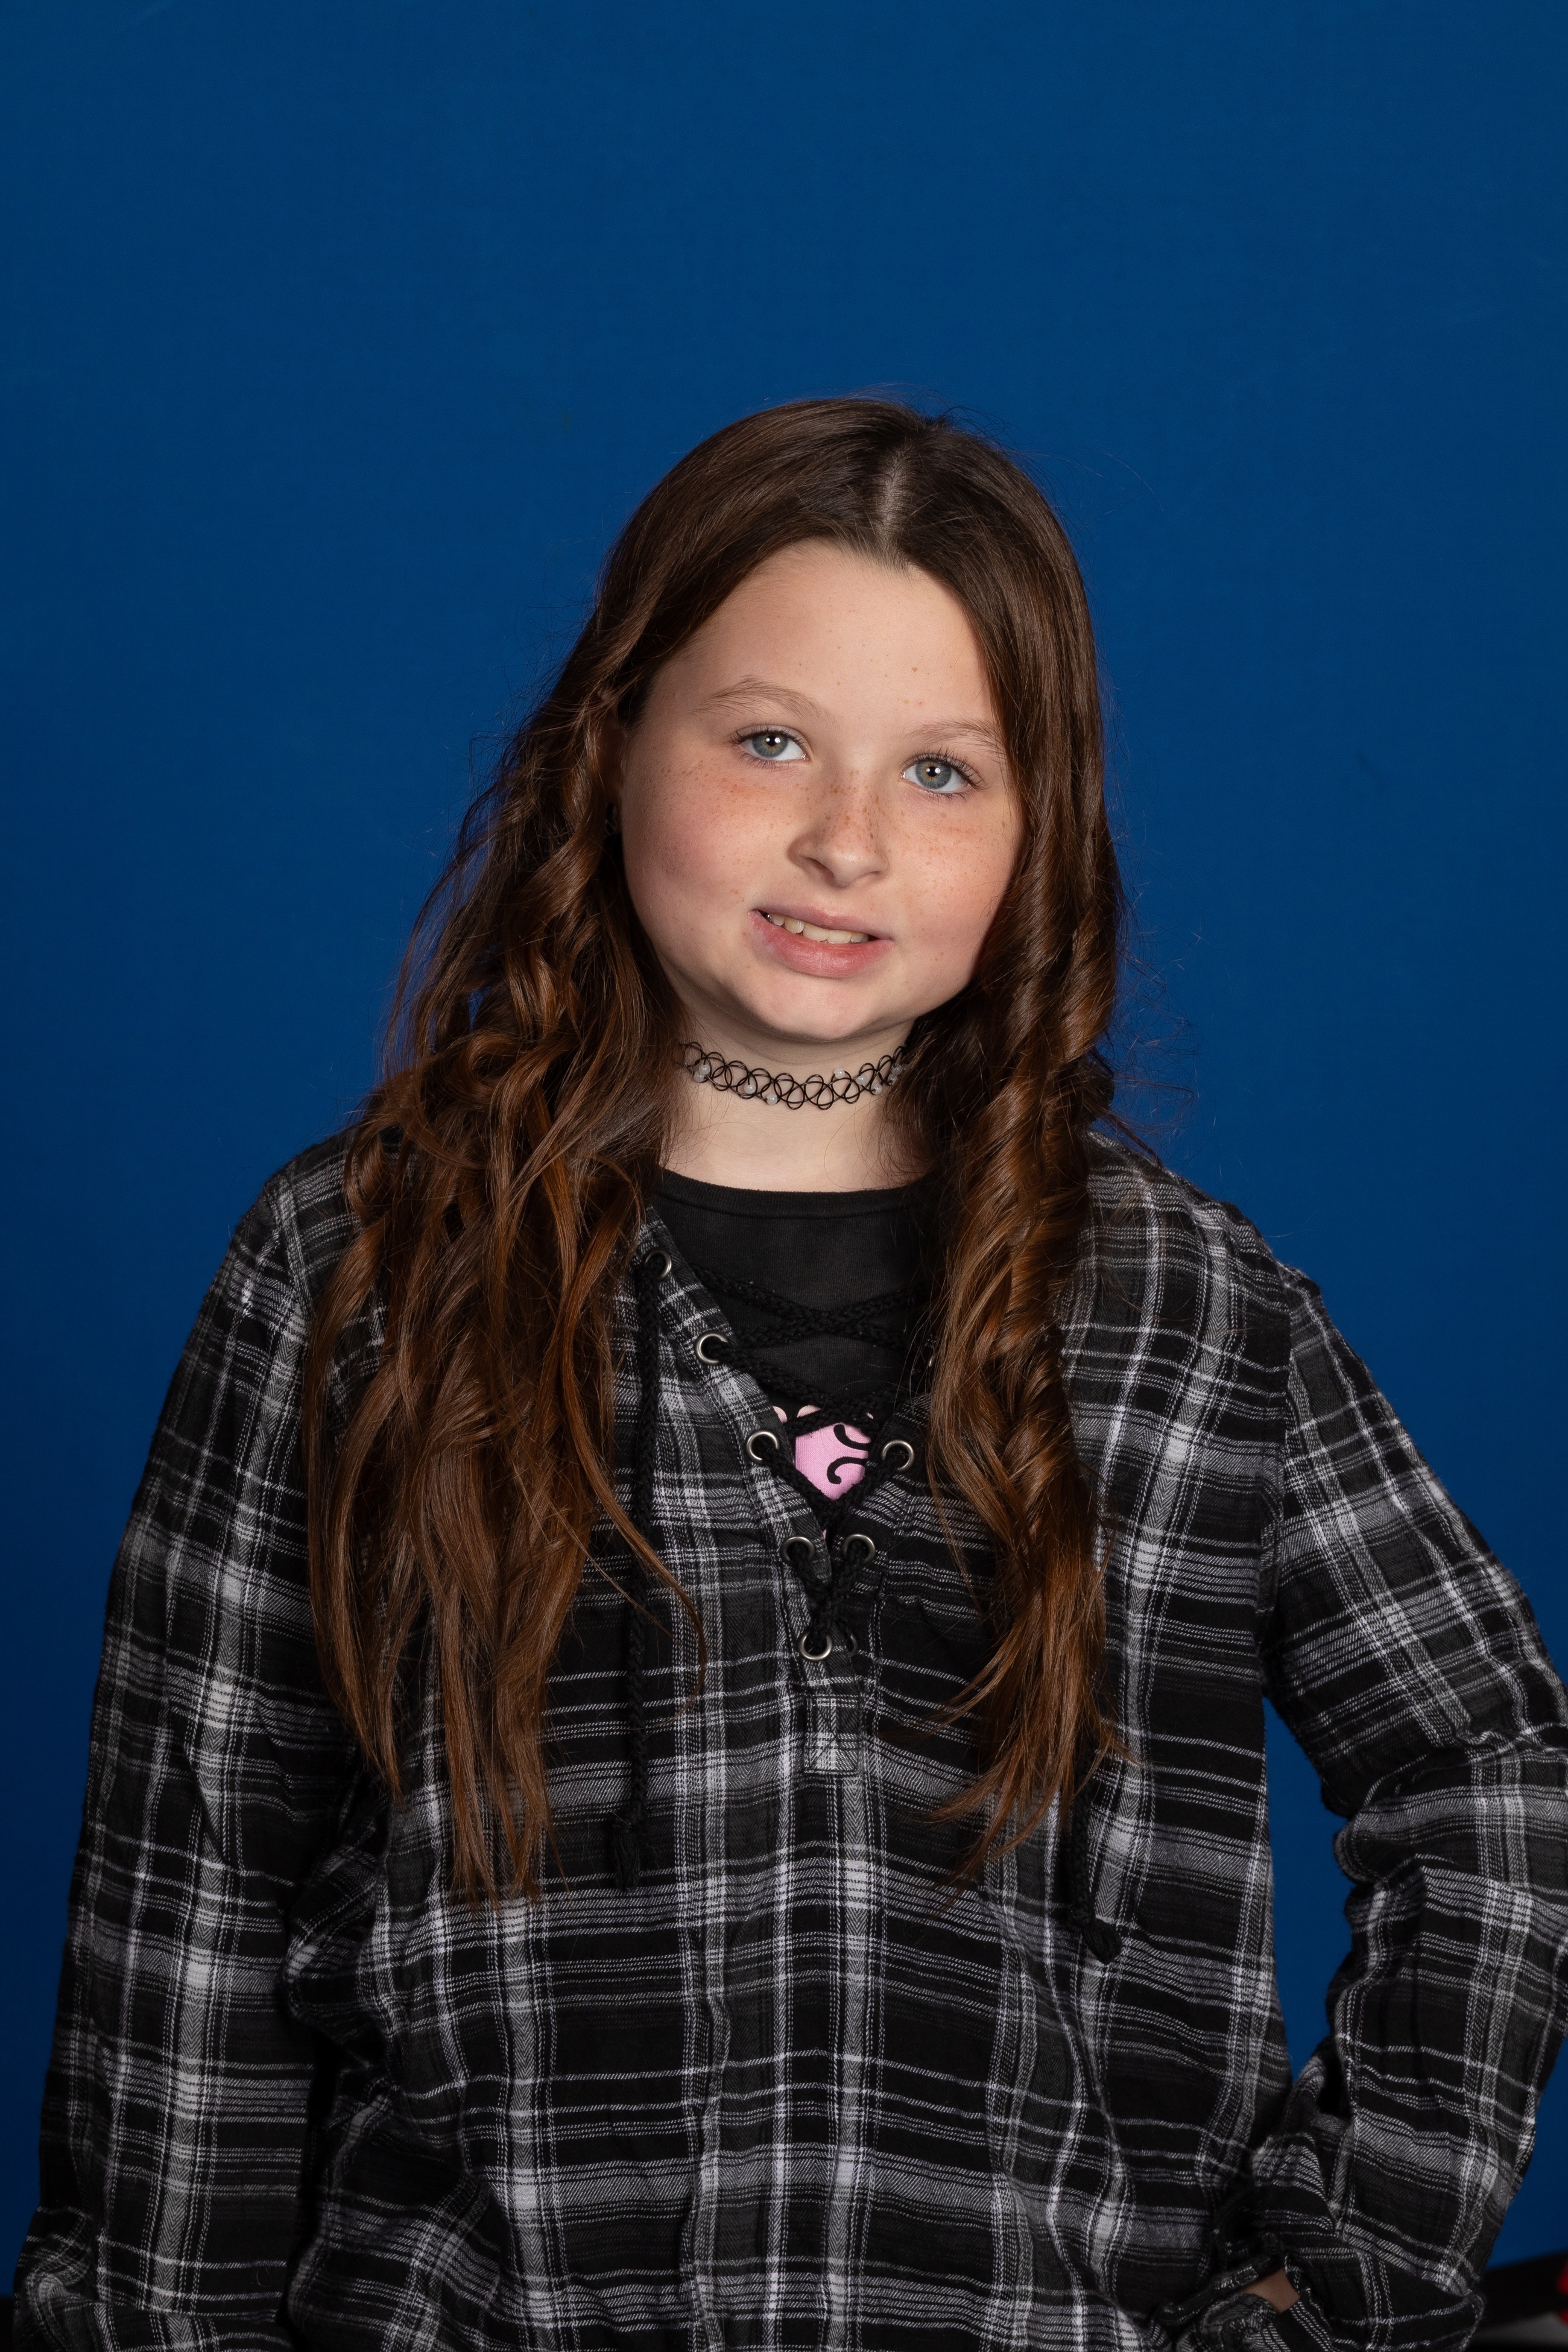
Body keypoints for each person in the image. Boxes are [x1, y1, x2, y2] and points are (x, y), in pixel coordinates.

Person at [15, 399, 1567, 2352]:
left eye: (942, 770)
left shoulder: (1185, 1313)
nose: (848, 839)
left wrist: (1339, 2286)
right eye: (769, 741)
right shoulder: (362, 1267)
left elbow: (1490, 1771)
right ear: (610, 741)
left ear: (1039, 830)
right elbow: (191, 1885)